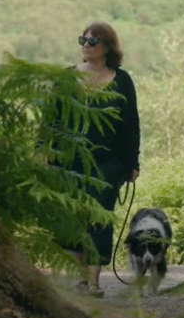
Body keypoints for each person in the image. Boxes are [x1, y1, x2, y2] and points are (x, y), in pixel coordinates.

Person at [52, 21, 141, 298]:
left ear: (107, 48)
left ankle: (93, 282)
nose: (85, 45)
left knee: (99, 217)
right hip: (69, 160)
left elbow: (131, 124)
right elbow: (51, 119)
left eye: (92, 41)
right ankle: (80, 279)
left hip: (109, 162)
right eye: (83, 40)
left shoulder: (122, 80)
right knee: (74, 217)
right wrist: (44, 150)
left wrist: (133, 163)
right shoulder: (66, 78)